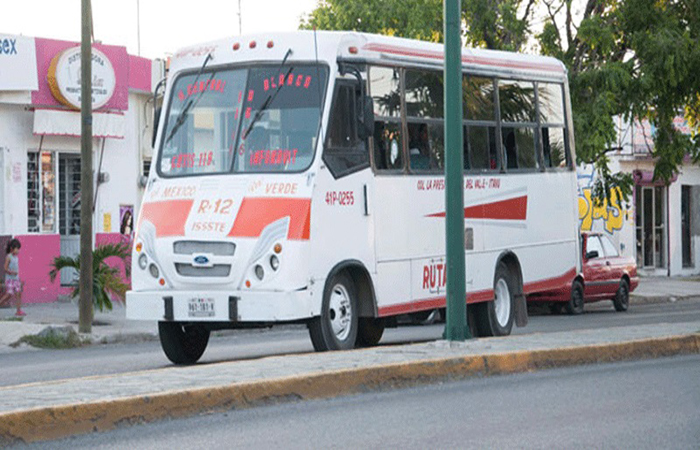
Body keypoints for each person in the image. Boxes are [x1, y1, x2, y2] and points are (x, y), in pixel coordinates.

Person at [0, 239, 24, 316]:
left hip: (16, 279)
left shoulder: (16, 257)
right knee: (9, 294)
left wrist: (18, 278)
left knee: (18, 293)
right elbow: (5, 268)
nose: (18, 251)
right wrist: (12, 272)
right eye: (17, 249)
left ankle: (18, 311)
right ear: (12, 248)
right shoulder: (9, 257)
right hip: (10, 280)